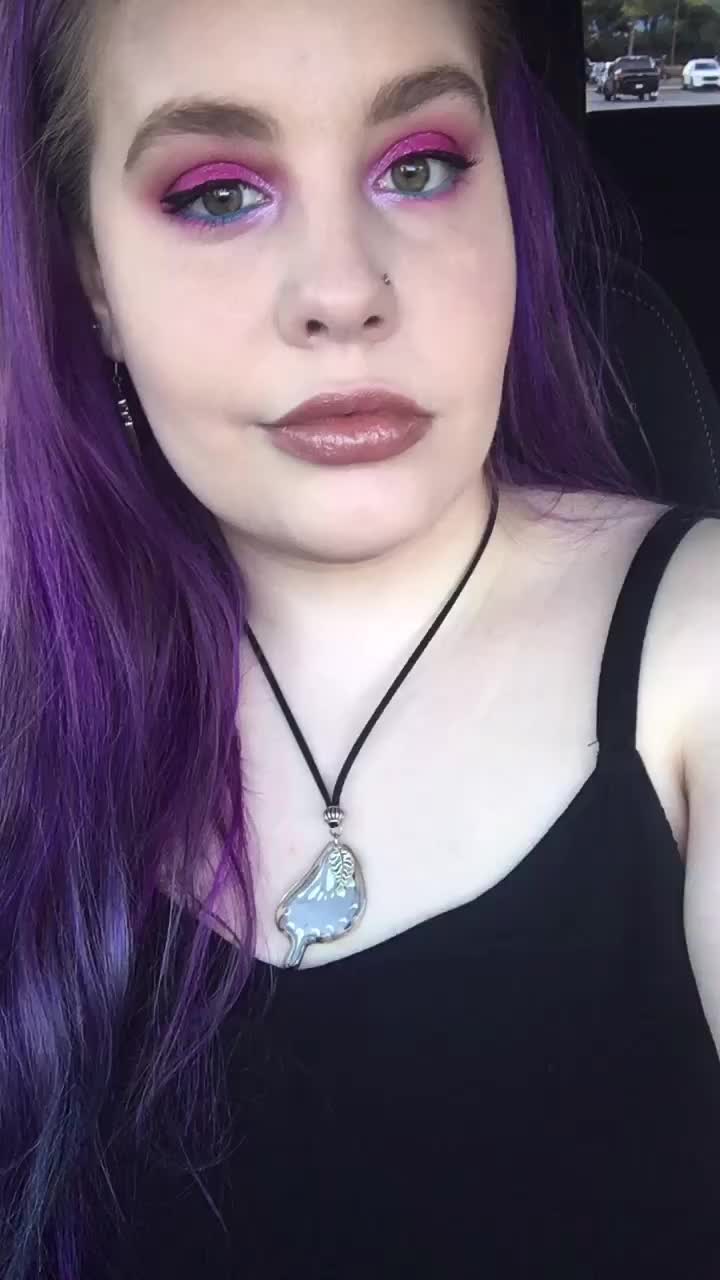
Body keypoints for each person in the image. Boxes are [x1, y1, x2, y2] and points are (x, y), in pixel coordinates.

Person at [1, 0, 720, 1276]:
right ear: (93, 282)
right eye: (219, 194)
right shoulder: (30, 697)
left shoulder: (697, 647)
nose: (343, 292)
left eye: (420, 166)